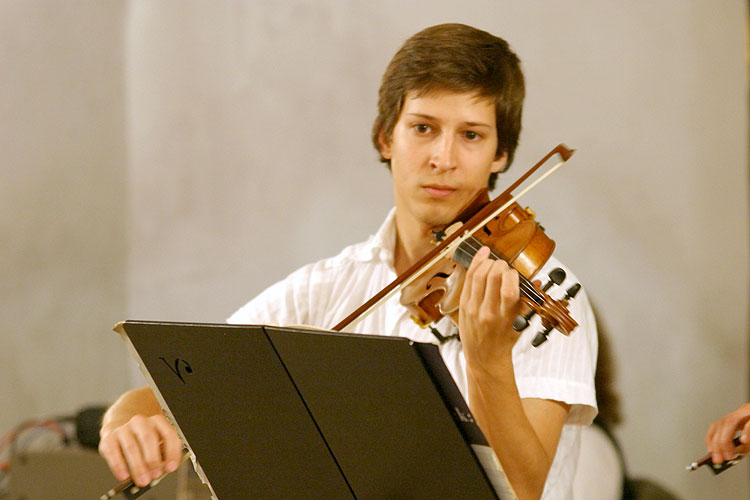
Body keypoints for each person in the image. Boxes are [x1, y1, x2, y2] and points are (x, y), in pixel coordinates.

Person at [98, 23, 598, 500]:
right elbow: (181, 383)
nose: (443, 158)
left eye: (471, 135)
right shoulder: (328, 286)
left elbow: (522, 492)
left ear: (501, 155)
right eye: (423, 128)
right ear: (386, 137)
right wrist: (126, 420)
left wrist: (489, 363)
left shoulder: (546, 293)